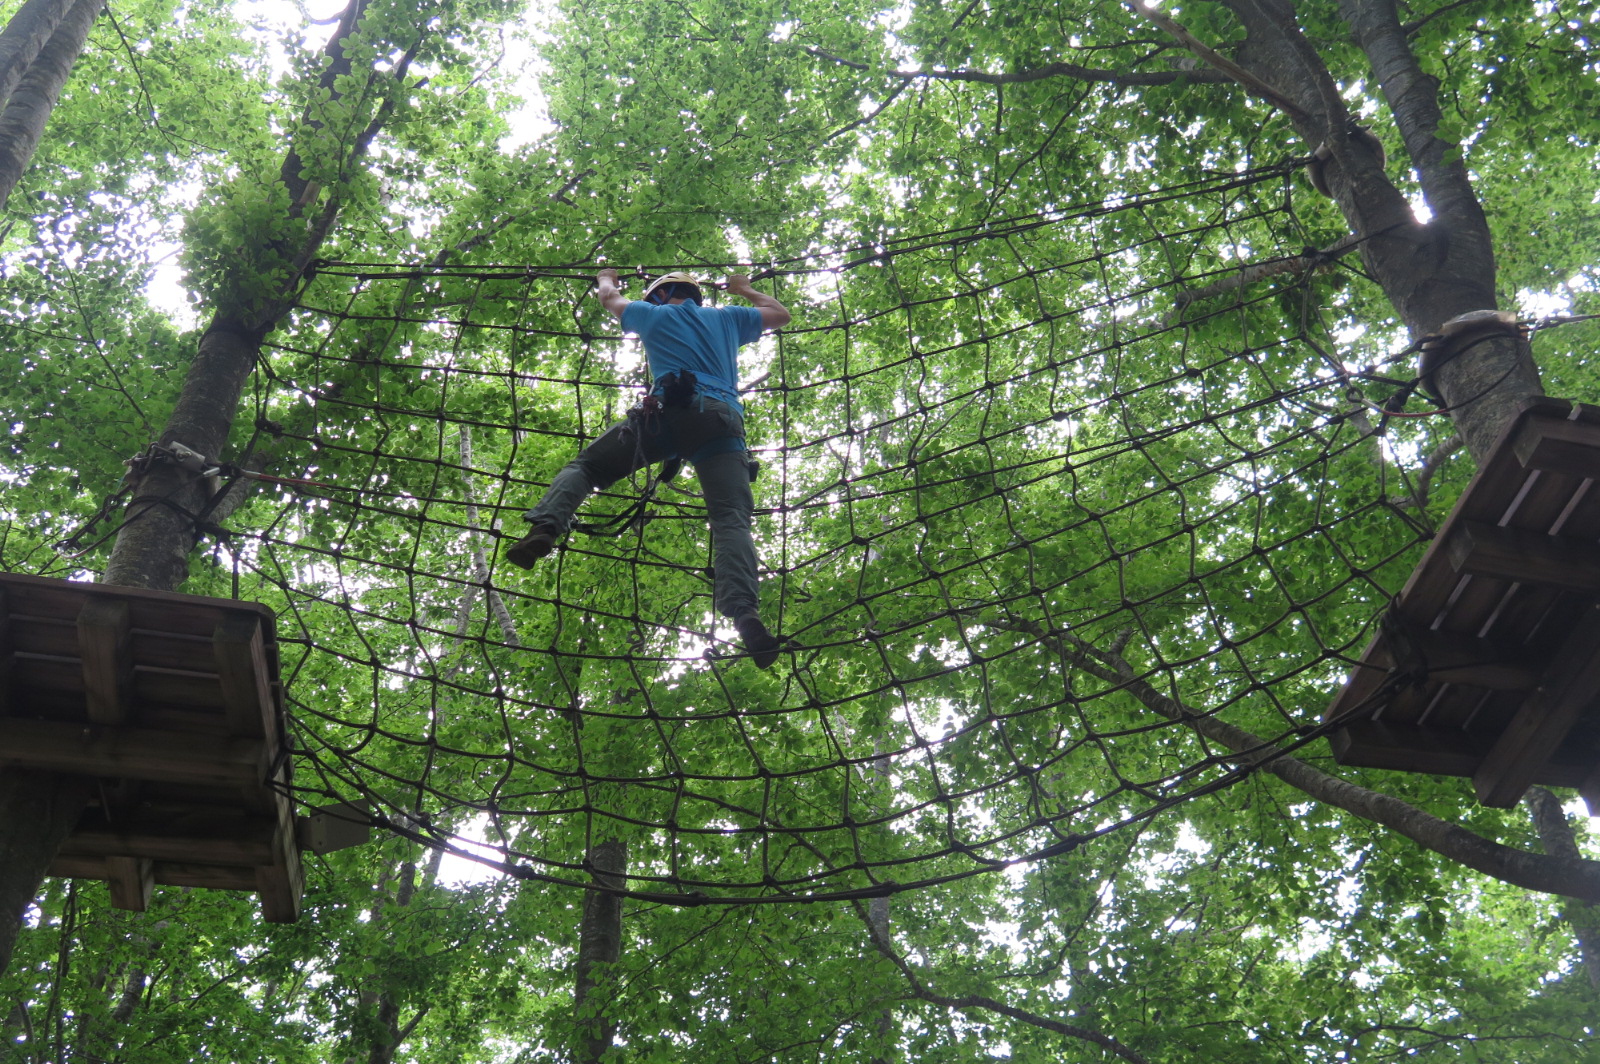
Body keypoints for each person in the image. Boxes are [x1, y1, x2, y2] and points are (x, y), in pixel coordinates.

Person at [506, 268, 792, 668]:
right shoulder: (728, 318)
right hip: (720, 421)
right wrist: (743, 289)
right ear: (694, 294)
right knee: (731, 520)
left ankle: (546, 527)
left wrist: (606, 277)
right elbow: (780, 315)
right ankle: (746, 615)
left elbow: (609, 300)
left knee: (588, 468)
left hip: (661, 415)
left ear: (660, 296)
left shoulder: (651, 314)